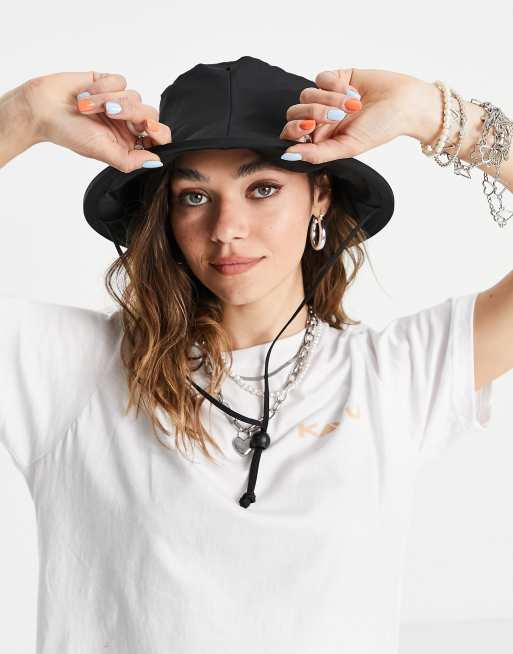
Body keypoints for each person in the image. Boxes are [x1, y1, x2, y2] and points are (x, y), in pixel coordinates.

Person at [0, 60, 503, 654]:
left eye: (262, 189)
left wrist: (436, 115)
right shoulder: (71, 368)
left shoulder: (398, 374)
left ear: (319, 196)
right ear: (166, 214)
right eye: (194, 196)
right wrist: (23, 115)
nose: (227, 228)